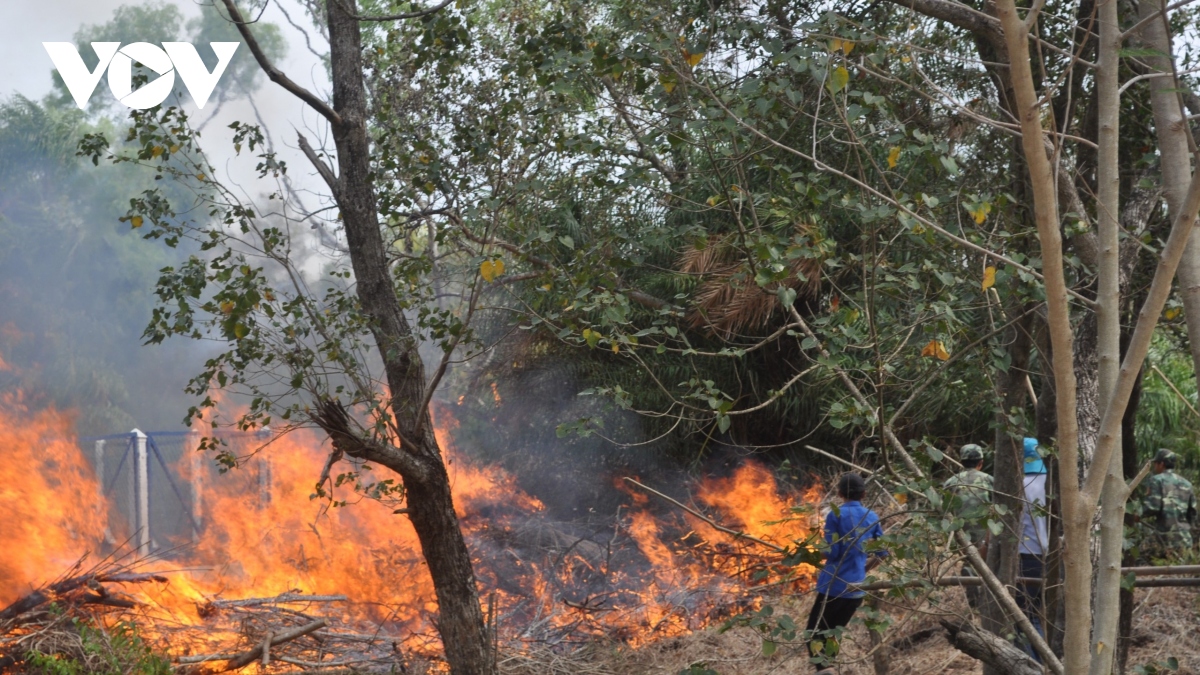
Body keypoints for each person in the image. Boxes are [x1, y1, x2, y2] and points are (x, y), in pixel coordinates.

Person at [806, 472, 887, 674]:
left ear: (840, 494)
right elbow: (882, 553)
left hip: (834, 586)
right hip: (856, 589)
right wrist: (863, 570)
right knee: (833, 635)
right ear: (864, 494)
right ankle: (829, 668)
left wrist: (813, 550)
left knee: (814, 636)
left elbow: (832, 552)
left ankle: (827, 671)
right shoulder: (872, 516)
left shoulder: (835, 514)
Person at [943, 443, 993, 609]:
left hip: (961, 529)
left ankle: (974, 596)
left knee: (969, 559)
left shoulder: (951, 482)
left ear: (962, 461)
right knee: (988, 561)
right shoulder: (988, 480)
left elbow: (944, 509)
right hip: (986, 529)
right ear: (981, 462)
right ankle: (985, 599)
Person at [1017, 437, 1048, 662]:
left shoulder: (1021, 486)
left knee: (1025, 616)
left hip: (1027, 554)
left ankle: (1036, 663)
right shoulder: (1048, 482)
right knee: (1036, 612)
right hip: (1048, 553)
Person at [1140, 448, 1196, 562]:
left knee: (1142, 555)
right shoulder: (1187, 484)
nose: (1155, 467)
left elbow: (1153, 507)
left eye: (1156, 463)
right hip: (1184, 539)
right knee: (1183, 573)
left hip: (1163, 537)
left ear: (1162, 464)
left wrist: (1138, 514)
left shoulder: (1157, 480)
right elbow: (1193, 512)